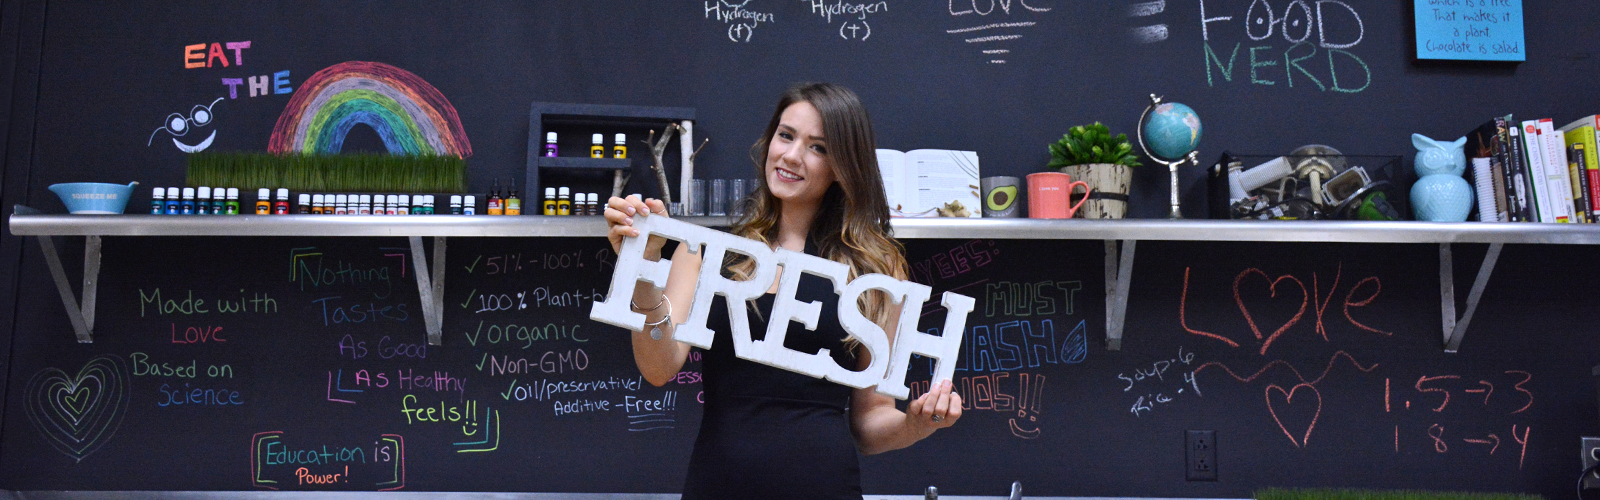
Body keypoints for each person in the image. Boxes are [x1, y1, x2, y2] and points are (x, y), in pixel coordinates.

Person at [603, 82, 963, 499]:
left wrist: (914, 426)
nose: (791, 156)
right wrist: (644, 269)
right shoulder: (703, 253)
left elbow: (870, 424)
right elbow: (658, 367)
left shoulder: (875, 274)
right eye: (786, 135)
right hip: (719, 485)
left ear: (843, 167)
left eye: (818, 147)